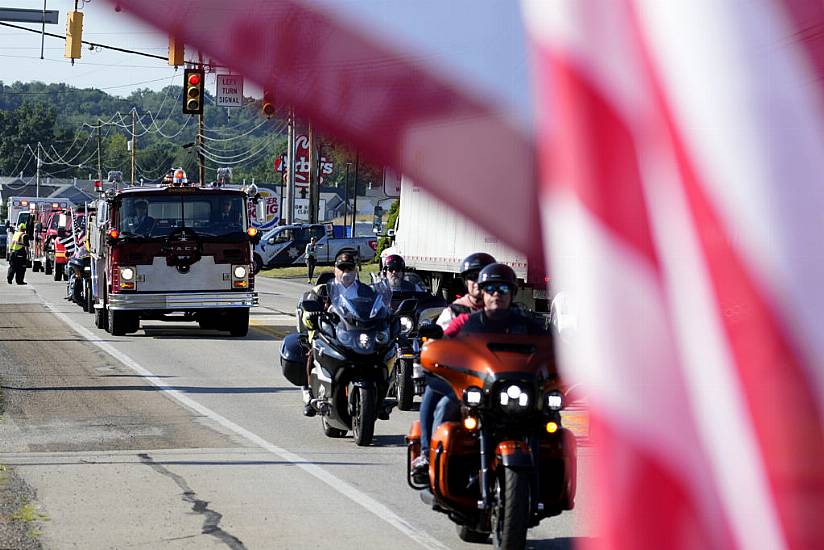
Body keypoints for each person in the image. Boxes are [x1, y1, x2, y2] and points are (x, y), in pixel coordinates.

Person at [412, 263, 546, 482]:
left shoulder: (527, 323)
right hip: (477, 386)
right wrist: (434, 352)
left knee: (550, 417)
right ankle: (433, 461)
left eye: (502, 289)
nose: (496, 295)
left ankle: (548, 474)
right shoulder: (465, 320)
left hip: (513, 389)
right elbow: (442, 342)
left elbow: (550, 348)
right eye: (490, 289)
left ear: (512, 293)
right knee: (445, 404)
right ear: (482, 292)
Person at [300, 252, 369, 416]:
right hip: (330, 334)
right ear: (335, 269)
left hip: (358, 335)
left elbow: (378, 308)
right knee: (312, 352)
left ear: (355, 270)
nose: (346, 272)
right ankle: (309, 393)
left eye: (349, 268)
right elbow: (306, 314)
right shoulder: (323, 290)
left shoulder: (366, 290)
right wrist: (312, 316)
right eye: (341, 268)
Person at [435, 252, 496, 330]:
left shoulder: (503, 311)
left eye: (484, 277)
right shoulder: (454, 312)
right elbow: (439, 339)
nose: (478, 282)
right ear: (466, 281)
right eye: (473, 276)